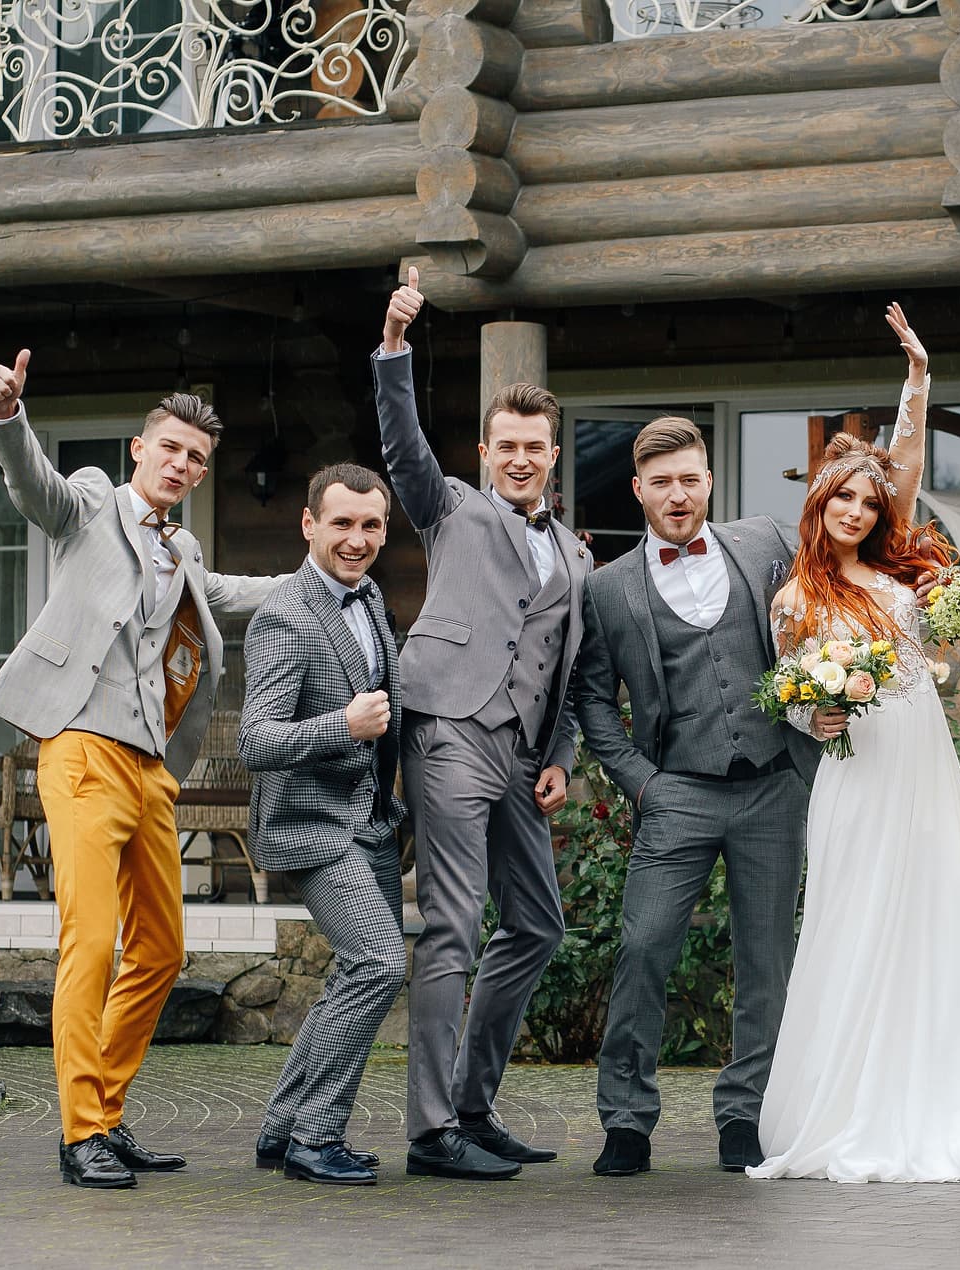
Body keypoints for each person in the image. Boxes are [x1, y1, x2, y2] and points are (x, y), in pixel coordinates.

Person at [0, 352, 282, 1189]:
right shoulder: (90, 506)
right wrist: (7, 417)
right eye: (172, 449)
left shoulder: (181, 550)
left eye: (198, 459)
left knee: (161, 949)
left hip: (151, 770)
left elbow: (225, 595)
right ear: (140, 449)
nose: (183, 465)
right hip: (80, 752)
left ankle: (106, 1110)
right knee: (92, 942)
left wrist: (322, 578)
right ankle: (80, 1134)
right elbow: (32, 484)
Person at [747, 304, 960, 1185]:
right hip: (857, 776)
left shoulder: (901, 571)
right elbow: (789, 697)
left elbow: (904, 459)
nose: (860, 511)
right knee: (854, 922)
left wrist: (918, 381)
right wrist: (813, 718)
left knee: (938, 919)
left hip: (923, 760)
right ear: (819, 504)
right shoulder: (794, 597)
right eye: (845, 499)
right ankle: (844, 1103)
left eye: (871, 501)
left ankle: (933, 1101)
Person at [373, 270, 593, 1180]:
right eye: (506, 445)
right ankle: (430, 1135)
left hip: (522, 752)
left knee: (536, 925)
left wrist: (564, 756)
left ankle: (472, 1103)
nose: (520, 458)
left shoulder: (578, 552)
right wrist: (394, 342)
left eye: (534, 447)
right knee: (455, 924)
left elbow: (576, 671)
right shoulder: (452, 507)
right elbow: (402, 446)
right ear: (485, 449)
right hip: (450, 732)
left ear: (552, 452)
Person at [574, 417, 820, 1177]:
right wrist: (640, 781)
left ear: (709, 480)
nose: (677, 495)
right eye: (661, 483)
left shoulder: (767, 547)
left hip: (773, 784)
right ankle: (626, 1118)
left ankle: (746, 1113)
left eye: (689, 479)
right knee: (644, 947)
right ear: (638, 490)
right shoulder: (608, 588)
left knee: (766, 960)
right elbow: (590, 698)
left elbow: (824, 618)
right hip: (675, 788)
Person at [239, 463, 410, 1186]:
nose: (357, 539)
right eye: (342, 523)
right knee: (378, 964)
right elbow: (256, 740)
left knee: (356, 968)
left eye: (371, 525)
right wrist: (342, 724)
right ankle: (315, 1138)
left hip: (370, 822)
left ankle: (281, 1130)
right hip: (312, 824)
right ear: (309, 524)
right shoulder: (285, 614)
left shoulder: (370, 596)